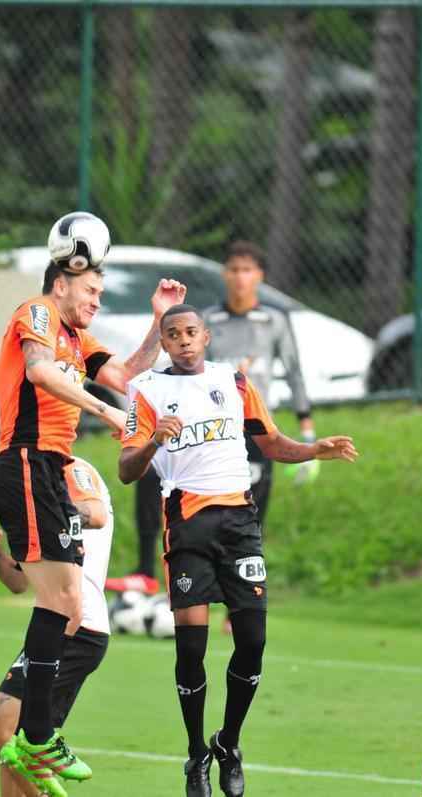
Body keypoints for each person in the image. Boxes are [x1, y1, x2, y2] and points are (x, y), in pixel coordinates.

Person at [117, 305, 357, 797]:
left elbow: (270, 444)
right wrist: (150, 444)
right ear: (163, 343)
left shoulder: (236, 383)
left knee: (253, 640)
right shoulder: (147, 391)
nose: (183, 341)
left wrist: (315, 449)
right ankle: (194, 755)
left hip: (239, 523)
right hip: (187, 524)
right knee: (191, 648)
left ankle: (228, 741)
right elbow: (126, 469)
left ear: (206, 336)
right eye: (173, 334)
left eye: (191, 332)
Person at [0, 211, 185, 797]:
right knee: (64, 600)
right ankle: (40, 734)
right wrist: (106, 412)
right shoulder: (39, 313)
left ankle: (38, 734)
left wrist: (158, 323)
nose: (96, 299)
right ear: (62, 279)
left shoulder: (80, 338)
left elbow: (123, 374)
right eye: (91, 289)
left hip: (47, 469)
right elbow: (42, 374)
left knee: (67, 602)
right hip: (28, 460)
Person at [127, 241, 315, 592]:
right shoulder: (206, 321)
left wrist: (307, 429)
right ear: (224, 275)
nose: (240, 278)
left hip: (253, 430)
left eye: (247, 270)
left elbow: (294, 372)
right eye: (233, 270)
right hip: (204, 426)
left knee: (247, 512)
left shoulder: (275, 320)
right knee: (162, 485)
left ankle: (239, 591)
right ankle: (151, 572)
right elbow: (188, 369)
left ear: (258, 276)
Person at [0, 456, 115, 797]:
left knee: (3, 729)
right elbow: (19, 583)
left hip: (81, 628)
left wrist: (51, 511)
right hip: (55, 627)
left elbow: (95, 514)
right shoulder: (28, 483)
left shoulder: (72, 468)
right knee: (6, 733)